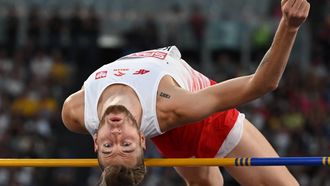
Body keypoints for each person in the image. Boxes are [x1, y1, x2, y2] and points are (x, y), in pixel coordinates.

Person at [61, 0, 310, 185]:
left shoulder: (74, 111)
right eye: (126, 145)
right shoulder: (172, 106)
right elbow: (262, 84)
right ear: (141, 139)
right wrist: (290, 26)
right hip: (193, 118)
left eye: (107, 145)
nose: (115, 134)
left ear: (95, 140)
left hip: (174, 127)